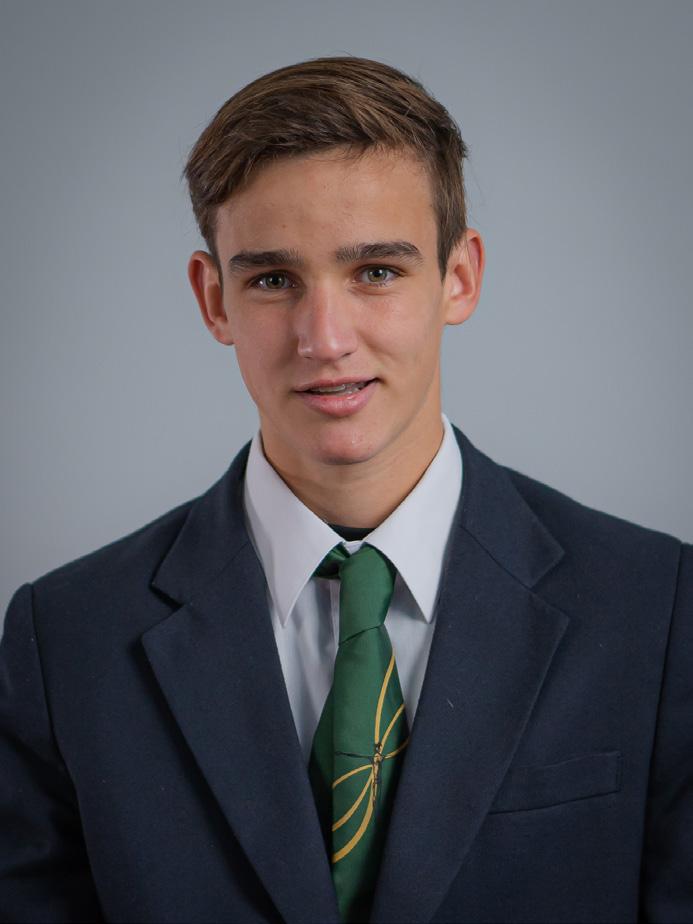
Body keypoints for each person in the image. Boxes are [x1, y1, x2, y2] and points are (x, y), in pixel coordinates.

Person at [0, 56, 690, 924]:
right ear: (213, 300)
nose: (324, 339)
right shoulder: (66, 639)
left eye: (375, 272)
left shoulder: (656, 608)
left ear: (459, 277)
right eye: (272, 280)